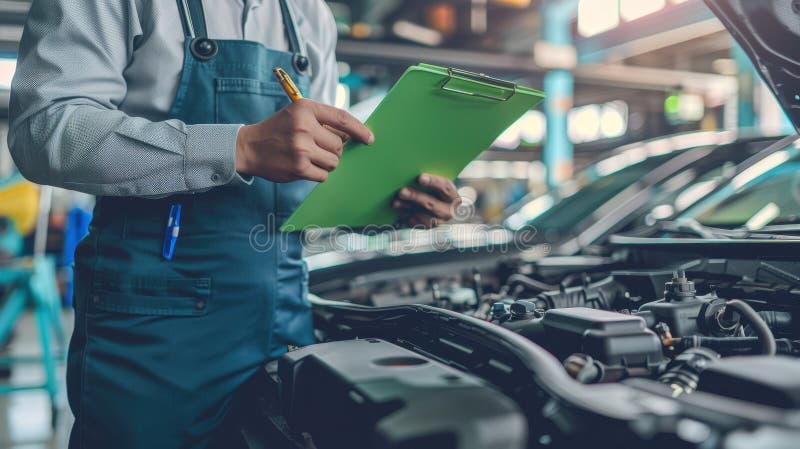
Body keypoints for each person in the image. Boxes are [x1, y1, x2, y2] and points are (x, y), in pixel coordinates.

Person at [7, 1, 461, 447]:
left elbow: (312, 170)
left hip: (284, 317)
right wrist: (238, 147)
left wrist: (385, 204)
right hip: (154, 332)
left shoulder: (310, 14)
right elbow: (43, 130)